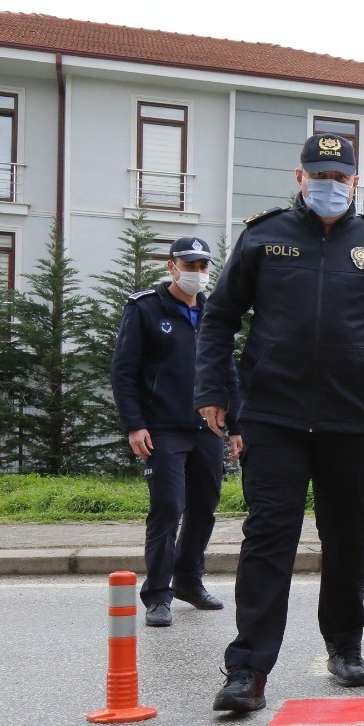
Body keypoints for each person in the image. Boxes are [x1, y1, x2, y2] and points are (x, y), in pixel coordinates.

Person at [197, 134, 364, 713]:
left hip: (351, 417)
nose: (330, 183)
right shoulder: (264, 235)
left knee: (346, 537)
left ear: (356, 181)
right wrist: (214, 391)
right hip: (273, 414)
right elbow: (220, 317)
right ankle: (248, 670)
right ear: (299, 177)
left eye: (340, 175)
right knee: (269, 537)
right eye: (319, 173)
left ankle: (345, 645)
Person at [110, 236, 236, 628]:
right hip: (162, 428)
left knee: (204, 507)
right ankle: (158, 594)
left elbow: (227, 371)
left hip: (207, 429)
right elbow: (124, 371)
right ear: (172, 266)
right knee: (168, 506)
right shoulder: (146, 307)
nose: (197, 273)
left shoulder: (214, 311)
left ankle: (188, 581)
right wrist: (135, 425)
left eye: (203, 266)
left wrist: (237, 426)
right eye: (190, 265)